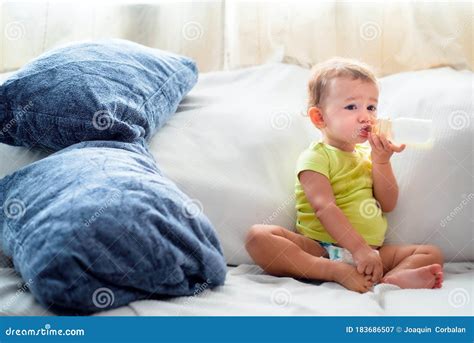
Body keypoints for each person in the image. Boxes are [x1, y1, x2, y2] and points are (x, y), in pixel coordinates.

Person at [245, 57, 443, 293]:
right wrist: (357, 250)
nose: (365, 116)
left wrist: (381, 161)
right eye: (351, 107)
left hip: (373, 253)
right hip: (320, 249)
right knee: (257, 237)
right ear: (319, 118)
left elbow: (388, 203)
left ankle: (390, 280)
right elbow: (324, 207)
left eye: (371, 107)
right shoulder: (317, 157)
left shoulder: (368, 156)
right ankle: (333, 271)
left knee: (432, 253)